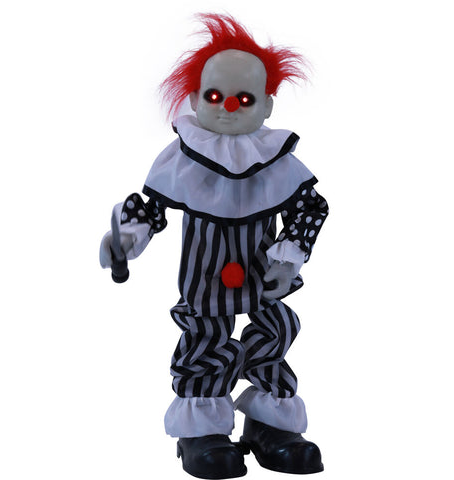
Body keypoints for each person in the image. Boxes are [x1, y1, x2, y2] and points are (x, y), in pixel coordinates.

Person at [100, 13, 329, 479]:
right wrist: (127, 237)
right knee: (205, 339)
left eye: (244, 99)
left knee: (274, 333)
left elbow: (310, 207)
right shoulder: (183, 159)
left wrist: (289, 255)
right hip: (205, 278)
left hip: (264, 274)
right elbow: (153, 207)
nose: (228, 108)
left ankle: (271, 423)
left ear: (267, 105)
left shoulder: (276, 160)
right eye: (214, 96)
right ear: (194, 98)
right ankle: (201, 430)